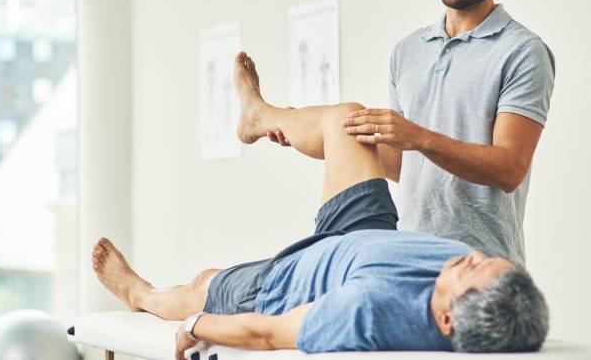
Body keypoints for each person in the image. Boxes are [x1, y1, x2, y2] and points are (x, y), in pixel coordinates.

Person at [92, 53, 548, 359]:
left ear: (446, 318)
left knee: (204, 283)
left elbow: (267, 335)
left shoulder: (370, 309)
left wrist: (196, 325)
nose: (471, 255)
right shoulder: (466, 275)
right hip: (365, 234)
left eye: (471, 270)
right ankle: (260, 115)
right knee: (349, 120)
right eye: (485, 260)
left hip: (287, 282)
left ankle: (141, 294)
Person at [270, 0, 555, 267]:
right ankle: (273, 118)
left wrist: (420, 136)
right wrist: (326, 142)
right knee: (343, 120)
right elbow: (407, 166)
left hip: (481, 267)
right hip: (409, 258)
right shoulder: (408, 52)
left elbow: (509, 169)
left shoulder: (523, 51)